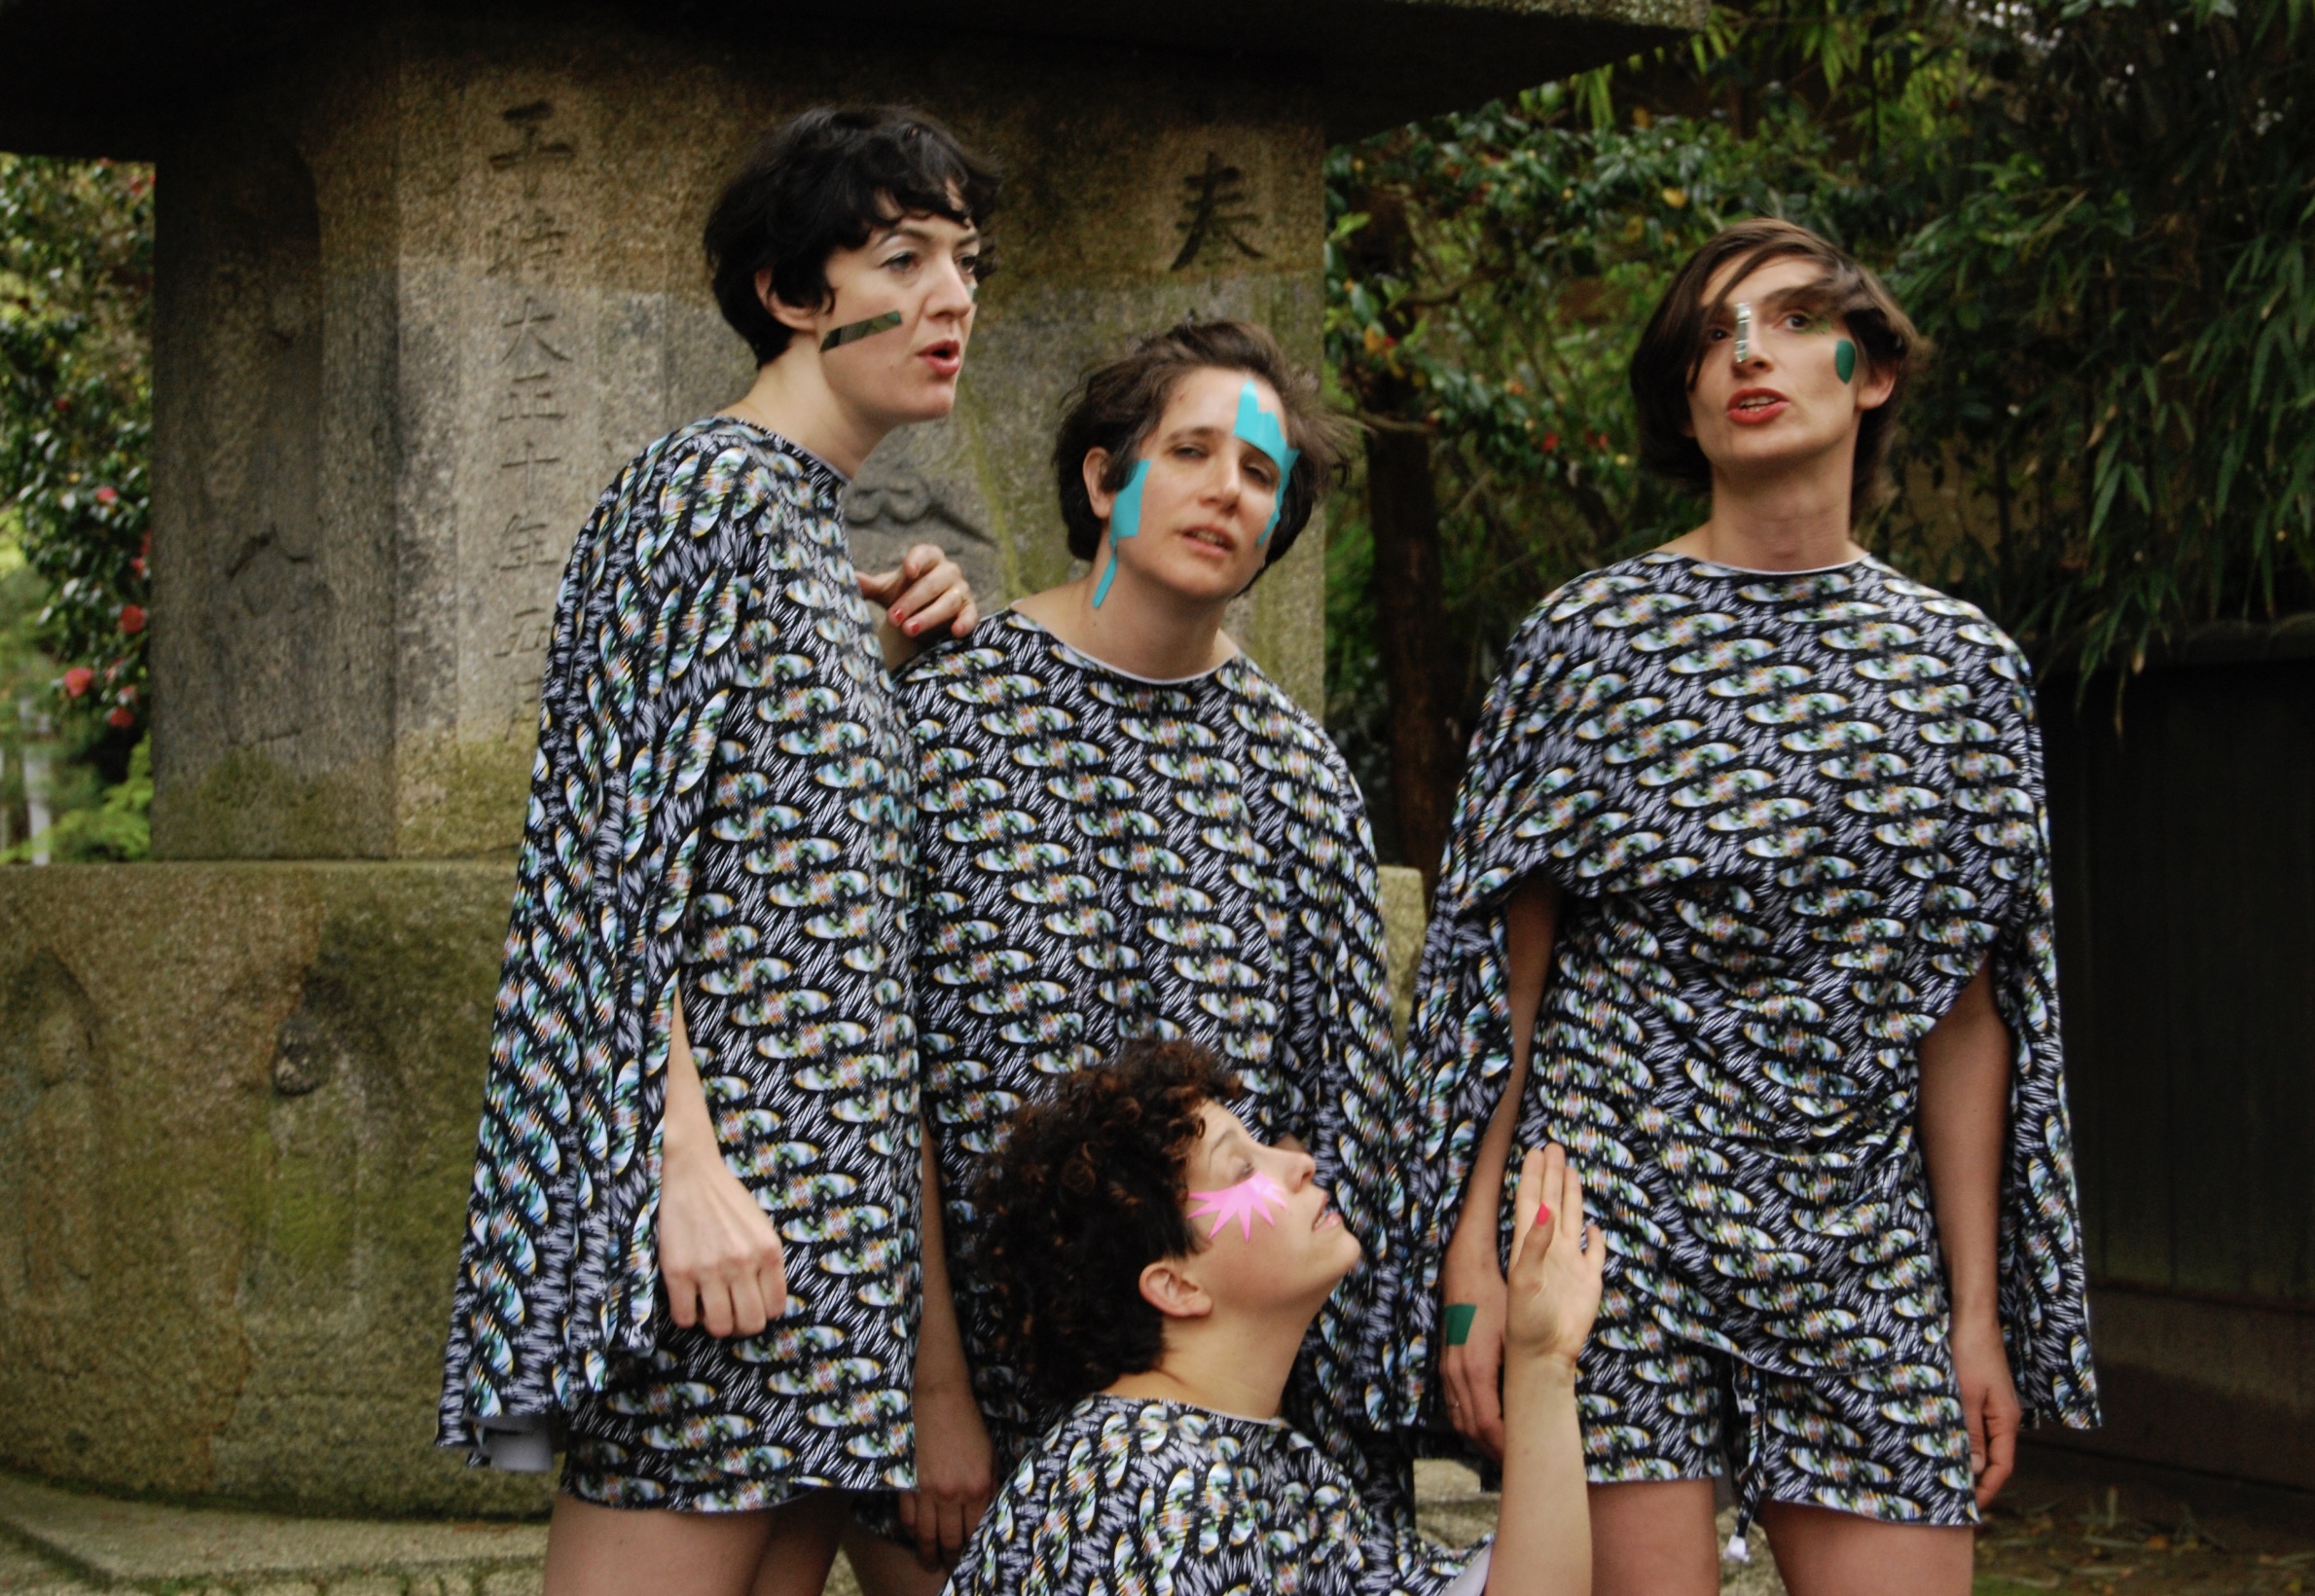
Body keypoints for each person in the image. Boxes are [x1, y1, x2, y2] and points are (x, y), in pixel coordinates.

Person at [1397, 218, 2101, 1596]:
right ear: (1683, 403)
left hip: (1856, 1230)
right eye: (1711, 338)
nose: (1747, 354)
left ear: (1871, 369)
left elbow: (1966, 1009)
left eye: (1789, 320)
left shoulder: (1962, 670)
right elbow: (1499, 978)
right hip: (1607, 1227)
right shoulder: (1588, 641)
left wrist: (1970, 1315)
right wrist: (1467, 1253)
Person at [435, 105, 997, 1596]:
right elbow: (600, 872)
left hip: (827, 1247)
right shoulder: (699, 495)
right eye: (903, 259)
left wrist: (876, 665)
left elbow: (777, 851)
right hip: (721, 1231)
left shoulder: (808, 530)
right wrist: (675, 1167)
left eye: (966, 261)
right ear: (791, 292)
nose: (951, 298)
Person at [845, 321, 1411, 1588]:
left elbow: (1331, 1122)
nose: (1225, 490)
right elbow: (876, 1084)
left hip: (1213, 1434)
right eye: (1191, 451)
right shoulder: (945, 716)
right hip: (963, 1400)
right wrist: (925, 1390)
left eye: (1259, 474)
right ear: (1104, 479)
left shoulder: (1297, 779)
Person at [948, 1039, 1606, 1596]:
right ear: (1177, 1285)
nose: (1299, 1163)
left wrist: (1543, 1362)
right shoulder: (1155, 1480)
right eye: (1242, 1168)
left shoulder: (1270, 1463)